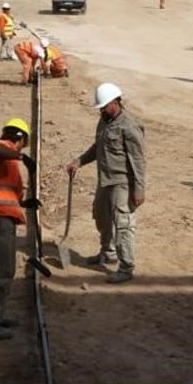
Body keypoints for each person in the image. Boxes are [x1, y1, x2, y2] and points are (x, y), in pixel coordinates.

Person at [65, 82, 146, 283]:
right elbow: (97, 147)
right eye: (100, 107)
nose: (101, 110)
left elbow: (138, 159)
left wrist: (139, 188)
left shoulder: (129, 125)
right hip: (105, 180)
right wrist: (79, 161)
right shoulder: (104, 120)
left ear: (116, 102)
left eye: (104, 106)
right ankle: (107, 252)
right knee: (101, 216)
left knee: (123, 224)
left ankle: (126, 267)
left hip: (122, 182)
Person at [0, 117, 37, 340]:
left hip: (4, 221)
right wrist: (21, 157)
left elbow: (13, 195)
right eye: (23, 143)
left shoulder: (10, 166)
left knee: (4, 271)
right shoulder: (0, 148)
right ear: (19, 138)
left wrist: (26, 203)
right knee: (0, 273)